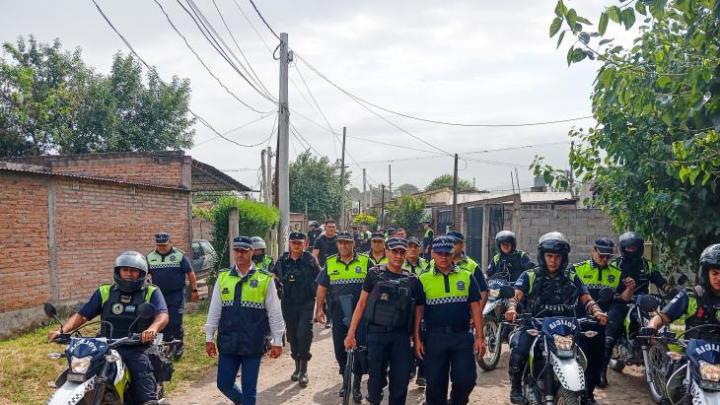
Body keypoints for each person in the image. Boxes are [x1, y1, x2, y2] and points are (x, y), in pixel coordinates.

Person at [49, 251, 169, 405]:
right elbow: (83, 315)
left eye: (133, 271)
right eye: (125, 270)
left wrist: (152, 329)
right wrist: (62, 331)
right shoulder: (105, 291)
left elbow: (162, 315)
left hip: (136, 346)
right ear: (118, 271)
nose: (128, 274)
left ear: (142, 274)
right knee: (78, 372)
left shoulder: (151, 292)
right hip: (103, 346)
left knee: (143, 382)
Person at [505, 232, 608, 404]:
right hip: (535, 325)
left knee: (590, 352)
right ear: (542, 256)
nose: (553, 261)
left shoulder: (571, 276)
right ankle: (516, 389)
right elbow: (515, 297)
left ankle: (586, 393)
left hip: (565, 328)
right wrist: (511, 309)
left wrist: (597, 311)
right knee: (520, 349)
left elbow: (587, 299)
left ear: (564, 258)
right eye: (549, 256)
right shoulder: (530, 275)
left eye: (557, 257)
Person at [204, 236, 285, 405]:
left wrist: (277, 341)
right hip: (228, 341)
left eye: (244, 251)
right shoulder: (224, 277)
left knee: (249, 389)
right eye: (237, 250)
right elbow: (214, 310)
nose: (240, 254)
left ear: (252, 252)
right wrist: (209, 337)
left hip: (253, 342)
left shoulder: (265, 279)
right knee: (224, 384)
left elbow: (275, 313)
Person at [345, 237, 417, 405]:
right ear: (387, 252)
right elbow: (361, 304)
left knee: (400, 381)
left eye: (402, 252)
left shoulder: (413, 280)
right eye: (394, 252)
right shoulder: (374, 274)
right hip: (376, 334)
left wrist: (416, 338)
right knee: (375, 380)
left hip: (401, 336)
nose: (398, 256)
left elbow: (417, 311)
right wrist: (351, 333)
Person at [414, 236, 486, 405]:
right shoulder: (423, 279)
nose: (444, 257)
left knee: (466, 380)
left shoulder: (467, 276)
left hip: (462, 336)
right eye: (439, 253)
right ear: (432, 253)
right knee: (435, 384)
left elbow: (476, 308)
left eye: (447, 253)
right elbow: (418, 311)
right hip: (434, 338)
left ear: (453, 253)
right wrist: (417, 338)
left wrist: (480, 337)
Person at [603, 231, 674, 386]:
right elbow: (608, 284)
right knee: (612, 330)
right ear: (623, 248)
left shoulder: (647, 265)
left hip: (643, 301)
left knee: (658, 322)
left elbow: (660, 280)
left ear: (640, 248)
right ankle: (601, 373)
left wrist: (670, 290)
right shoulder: (615, 265)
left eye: (634, 248)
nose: (631, 250)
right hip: (621, 301)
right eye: (628, 248)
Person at [315, 231, 372, 402]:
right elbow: (322, 287)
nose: (343, 246)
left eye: (347, 243)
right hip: (338, 313)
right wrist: (319, 309)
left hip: (361, 314)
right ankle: (345, 380)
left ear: (353, 244)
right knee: (340, 350)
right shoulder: (331, 262)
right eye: (340, 243)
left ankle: (356, 384)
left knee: (360, 348)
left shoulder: (365, 261)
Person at [569, 238, 622, 405]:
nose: (605, 259)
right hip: (579, 321)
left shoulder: (616, 273)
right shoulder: (577, 270)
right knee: (577, 359)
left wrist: (629, 288)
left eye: (608, 257)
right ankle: (572, 393)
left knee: (596, 361)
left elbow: (621, 299)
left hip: (601, 323)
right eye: (602, 255)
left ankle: (589, 394)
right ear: (594, 251)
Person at [641, 242, 720, 340]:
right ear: (705, 274)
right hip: (694, 349)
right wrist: (652, 326)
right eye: (715, 273)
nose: (719, 278)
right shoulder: (692, 296)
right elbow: (663, 316)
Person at [273, 231, 321, 387]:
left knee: (304, 335)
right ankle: (297, 367)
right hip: (288, 304)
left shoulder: (310, 259)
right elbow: (272, 277)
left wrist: (322, 304)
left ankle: (304, 370)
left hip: (306, 303)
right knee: (292, 336)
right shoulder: (282, 261)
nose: (296, 246)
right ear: (289, 244)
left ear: (305, 244)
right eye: (294, 243)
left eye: (299, 243)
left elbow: (321, 279)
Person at [146, 232, 198, 359]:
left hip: (176, 294)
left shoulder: (180, 256)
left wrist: (194, 290)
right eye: (159, 245)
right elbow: (144, 273)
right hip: (158, 295)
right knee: (160, 321)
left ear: (170, 243)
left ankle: (178, 347)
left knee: (175, 321)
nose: (162, 248)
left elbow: (190, 273)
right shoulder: (150, 257)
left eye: (164, 245)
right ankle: (164, 347)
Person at [447, 231, 489, 307]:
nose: (451, 246)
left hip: (465, 312)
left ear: (462, 245)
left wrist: (477, 312)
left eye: (454, 243)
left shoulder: (472, 266)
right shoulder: (435, 264)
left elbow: (484, 291)